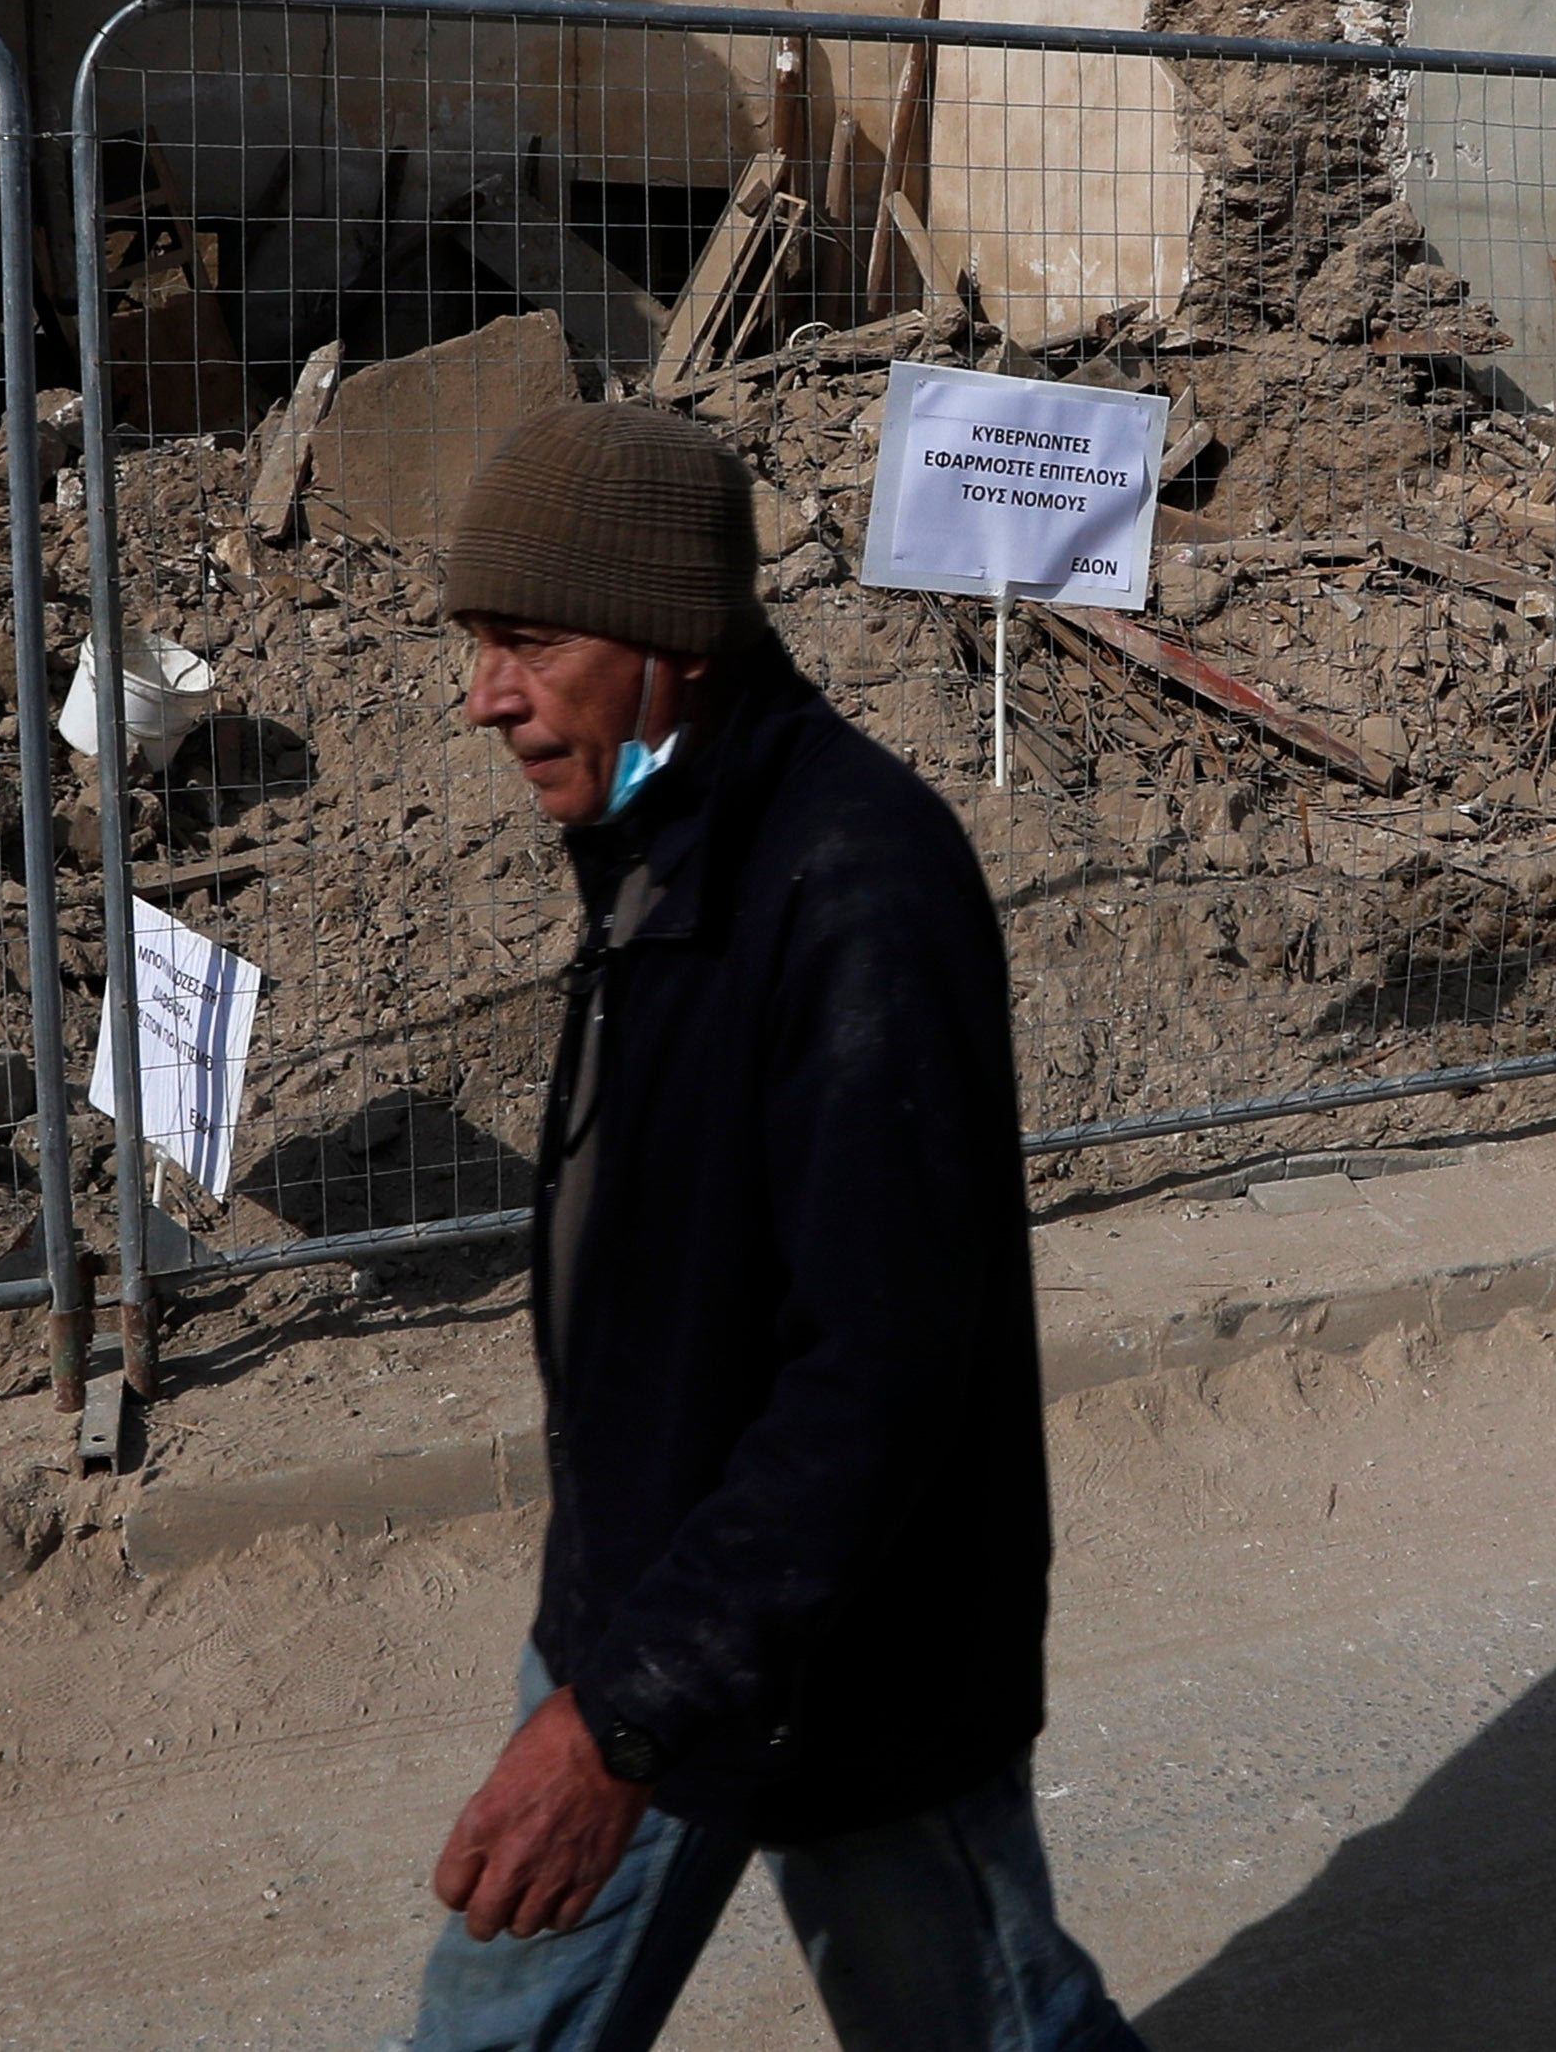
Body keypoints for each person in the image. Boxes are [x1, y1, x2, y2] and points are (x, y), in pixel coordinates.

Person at [404, 397, 1147, 2052]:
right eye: (478, 643)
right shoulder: (662, 843)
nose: (489, 695)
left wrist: (620, 1722)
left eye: (528, 640)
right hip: (668, 1608)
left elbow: (872, 1373)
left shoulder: (854, 883)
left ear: (672, 636)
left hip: (819, 1646)